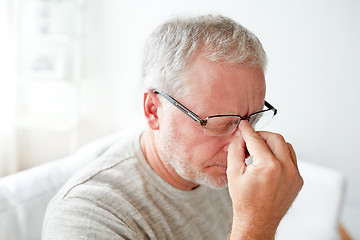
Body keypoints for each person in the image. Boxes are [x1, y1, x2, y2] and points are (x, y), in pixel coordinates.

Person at [42, 14, 303, 239]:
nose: (244, 147)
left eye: (253, 119)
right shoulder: (89, 217)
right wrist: (257, 227)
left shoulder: (226, 172)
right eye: (220, 123)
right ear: (153, 110)